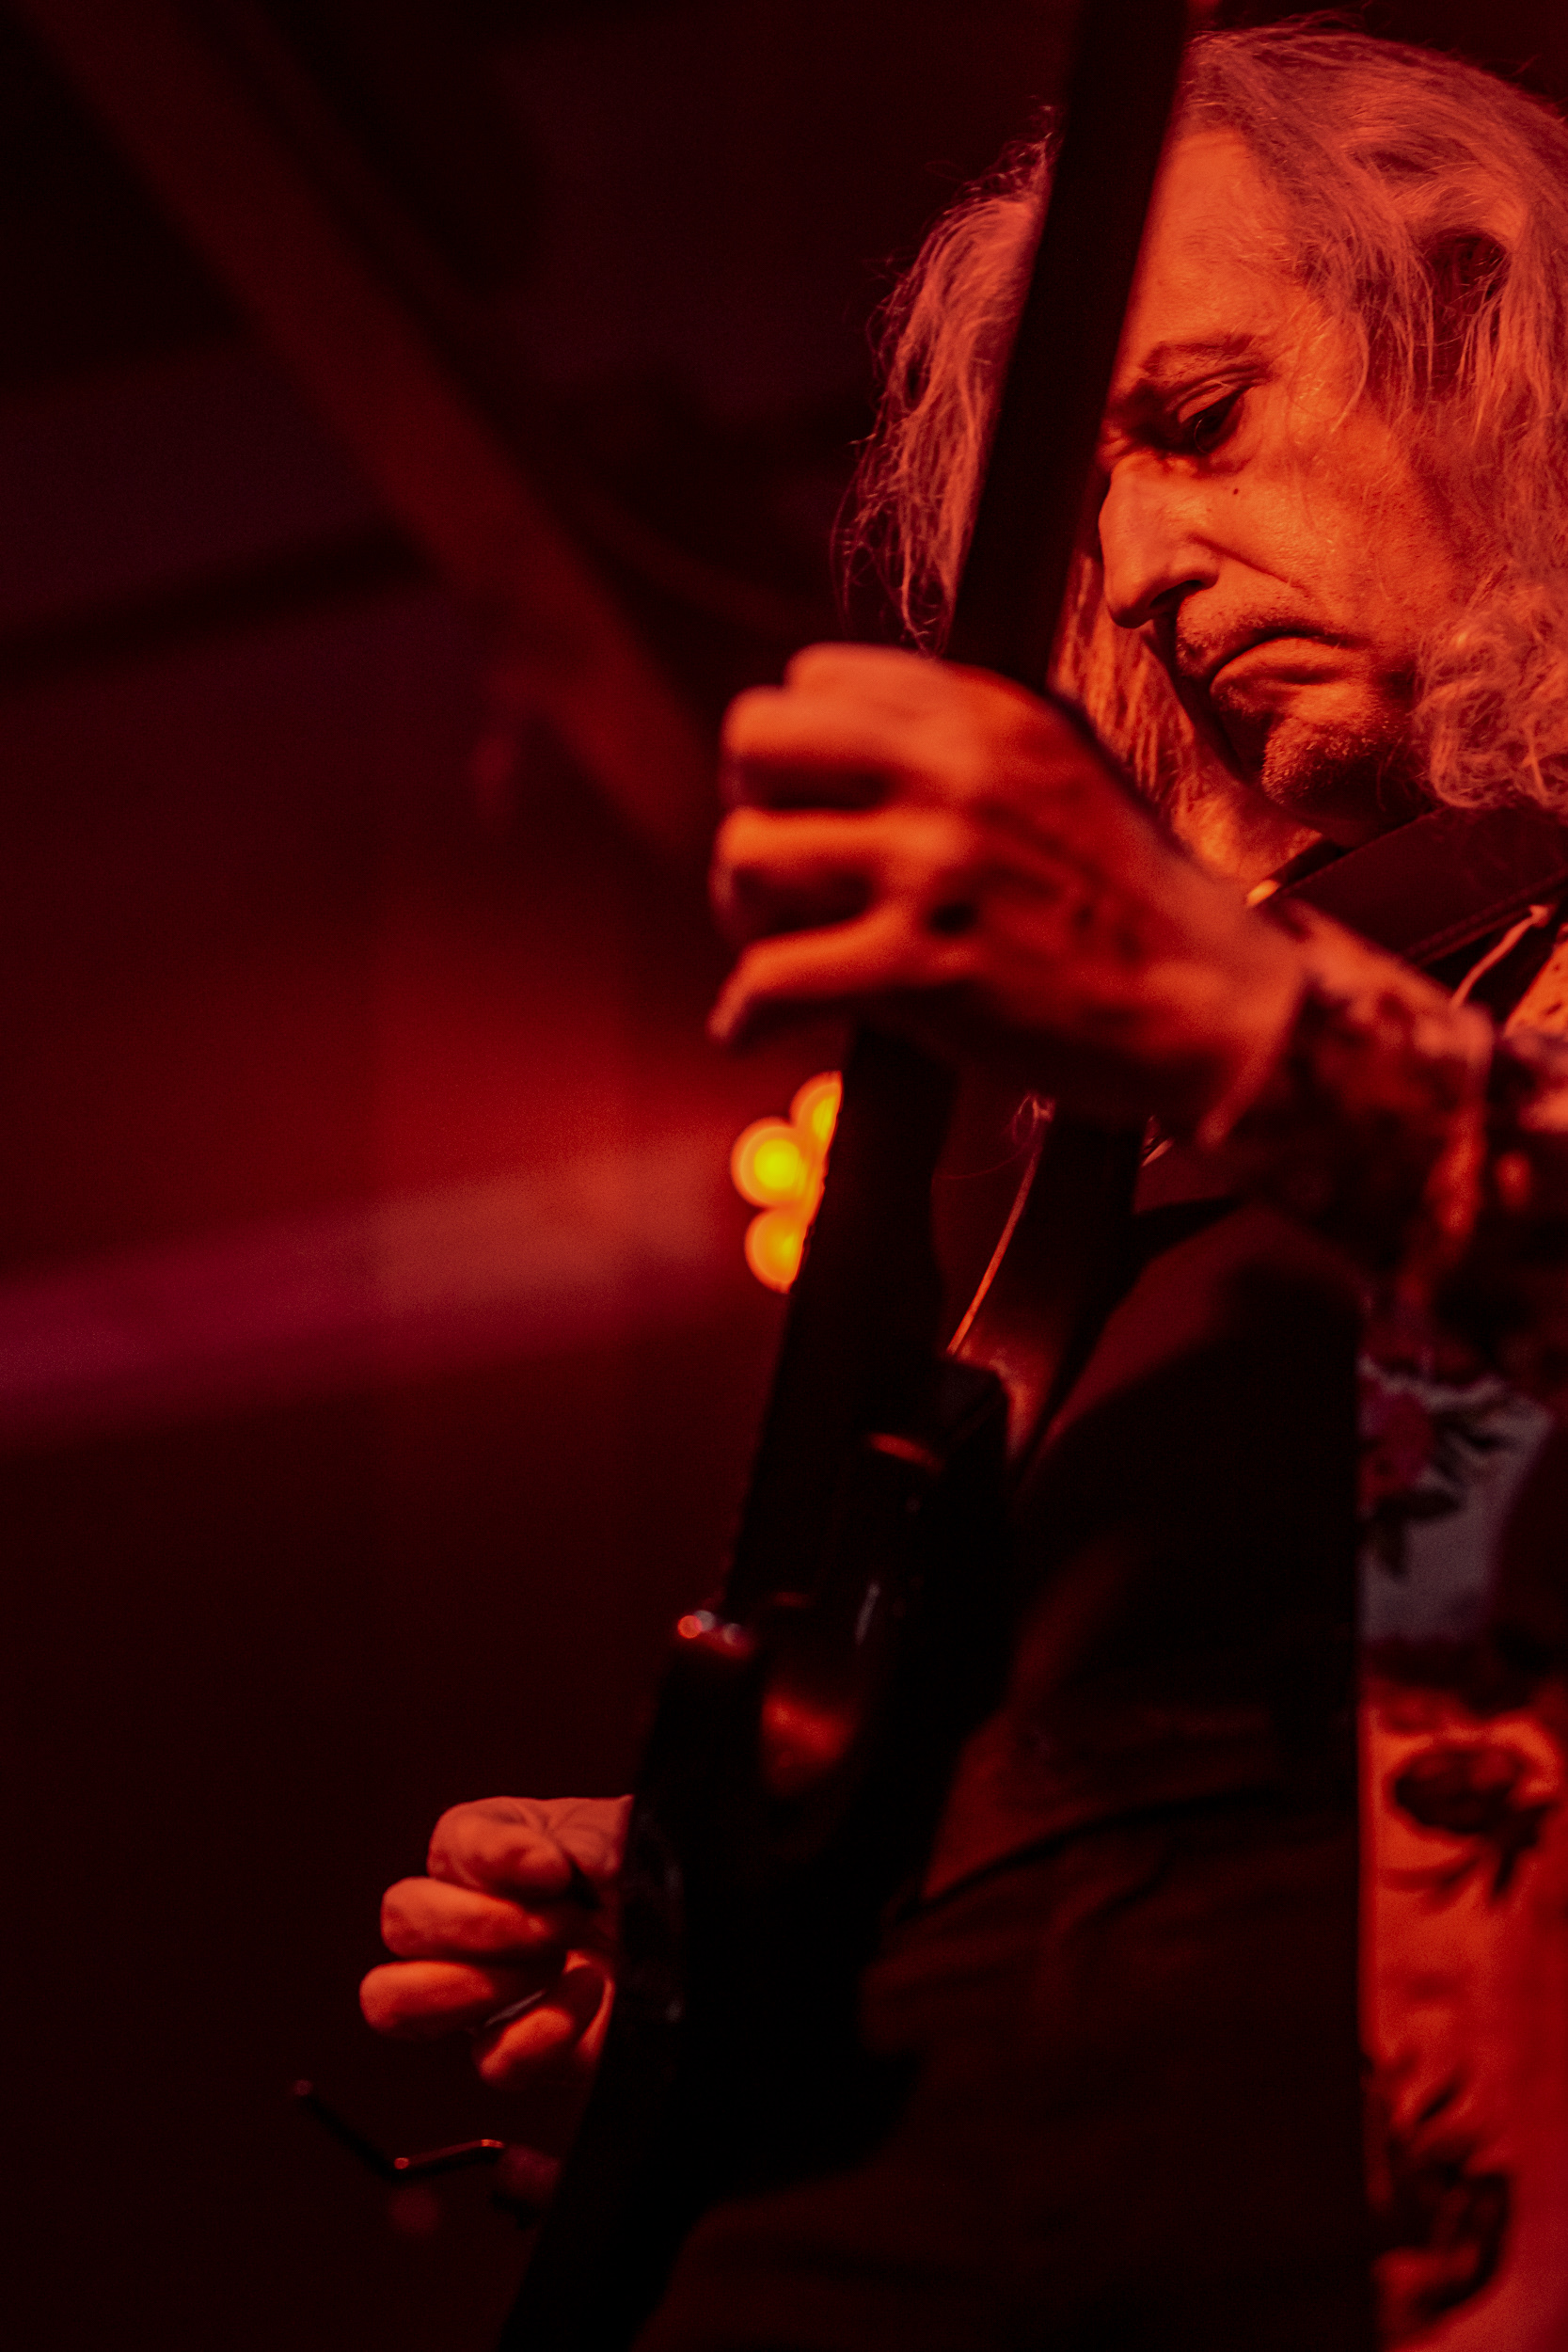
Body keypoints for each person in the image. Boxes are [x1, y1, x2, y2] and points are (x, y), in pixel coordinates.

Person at [359, 25, 1568, 2349]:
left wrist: (1244, 1022)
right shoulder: (1097, 1147)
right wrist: (786, 1922)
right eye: (1091, 501)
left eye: (1197, 420)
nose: (1141, 565)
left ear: (1480, 344)